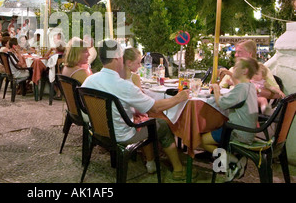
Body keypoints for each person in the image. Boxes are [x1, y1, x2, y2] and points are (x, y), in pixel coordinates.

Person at [81, 39, 193, 181]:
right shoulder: (124, 86)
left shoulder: (89, 81)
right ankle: (178, 169)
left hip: (98, 132)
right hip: (122, 135)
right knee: (163, 126)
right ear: (117, 57)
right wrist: (179, 98)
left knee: (144, 117)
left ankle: (154, 161)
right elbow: (155, 107)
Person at [201, 57, 260, 181]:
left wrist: (216, 89)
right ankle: (234, 160)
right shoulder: (249, 87)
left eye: (236, 67)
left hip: (238, 133)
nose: (233, 69)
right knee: (218, 127)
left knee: (203, 140)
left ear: (244, 71)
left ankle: (232, 161)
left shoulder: (241, 88)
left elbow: (221, 103)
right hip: (249, 132)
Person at [219, 39, 283, 106]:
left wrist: (258, 91)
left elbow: (278, 95)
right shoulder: (233, 69)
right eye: (236, 52)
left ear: (250, 54)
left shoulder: (260, 69)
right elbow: (221, 87)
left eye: (239, 52)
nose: (236, 55)